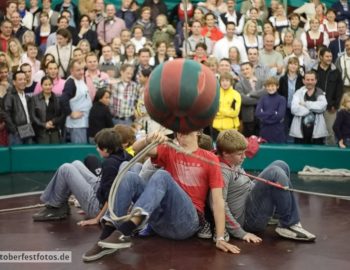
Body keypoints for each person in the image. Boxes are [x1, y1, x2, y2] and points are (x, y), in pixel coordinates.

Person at [82, 130, 241, 262]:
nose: (180, 134)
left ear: (198, 131)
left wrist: (220, 238)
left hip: (186, 223)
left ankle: (127, 228)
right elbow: (136, 148)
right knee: (130, 177)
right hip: (160, 223)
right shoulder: (170, 150)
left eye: (186, 129)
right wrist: (150, 137)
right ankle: (107, 237)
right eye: (178, 130)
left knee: (162, 175)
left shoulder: (209, 158)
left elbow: (218, 201)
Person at [216, 129, 316, 242]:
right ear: (225, 153)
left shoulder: (233, 162)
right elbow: (220, 205)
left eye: (244, 152)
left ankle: (278, 216)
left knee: (281, 164)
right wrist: (241, 233)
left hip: (251, 200)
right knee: (275, 172)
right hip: (247, 221)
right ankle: (287, 224)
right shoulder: (221, 172)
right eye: (240, 154)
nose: (244, 157)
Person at [33, 128, 131, 223]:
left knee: (66, 168)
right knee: (76, 163)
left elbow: (110, 197)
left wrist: (97, 219)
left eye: (98, 147)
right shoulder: (124, 155)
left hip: (97, 208)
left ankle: (55, 207)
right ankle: (60, 204)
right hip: (101, 194)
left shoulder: (110, 164)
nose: (96, 149)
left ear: (105, 149)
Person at [313, 48, 343, 145]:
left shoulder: (336, 72)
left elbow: (339, 90)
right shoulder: (313, 71)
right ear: (321, 57)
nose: (329, 58)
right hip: (315, 108)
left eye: (330, 56)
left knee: (331, 133)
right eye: (327, 56)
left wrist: (335, 105)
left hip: (330, 108)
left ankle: (330, 156)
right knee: (314, 133)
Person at [290, 71, 328, 144]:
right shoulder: (298, 92)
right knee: (300, 154)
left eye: (312, 80)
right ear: (303, 81)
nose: (310, 82)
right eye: (307, 80)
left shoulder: (319, 92)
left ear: (316, 81)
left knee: (316, 154)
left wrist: (305, 104)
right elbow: (294, 109)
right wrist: (313, 108)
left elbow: (322, 107)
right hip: (300, 132)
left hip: (317, 133)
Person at [60, 60, 92, 144]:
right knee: (79, 151)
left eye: (82, 69)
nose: (81, 72)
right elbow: (63, 99)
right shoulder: (70, 82)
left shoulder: (80, 80)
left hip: (84, 122)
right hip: (77, 124)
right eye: (78, 70)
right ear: (71, 71)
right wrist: (70, 113)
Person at [3, 71, 34, 145]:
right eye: (20, 79)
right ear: (14, 82)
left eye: (24, 79)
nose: (23, 81)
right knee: (18, 155)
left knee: (28, 154)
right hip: (16, 132)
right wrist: (14, 130)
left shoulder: (27, 97)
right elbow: (5, 114)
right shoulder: (9, 96)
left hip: (28, 129)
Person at [235, 62, 265, 137]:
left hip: (262, 116)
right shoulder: (239, 84)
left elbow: (265, 93)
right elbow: (243, 99)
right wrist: (259, 100)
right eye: (243, 70)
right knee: (248, 141)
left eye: (247, 69)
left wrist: (250, 94)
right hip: (248, 117)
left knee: (262, 140)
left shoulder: (262, 81)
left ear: (253, 69)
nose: (245, 71)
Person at [31, 76, 63, 144]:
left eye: (50, 84)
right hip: (41, 132)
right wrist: (44, 124)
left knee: (55, 152)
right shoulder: (34, 98)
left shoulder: (58, 98)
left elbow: (61, 114)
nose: (48, 87)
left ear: (52, 85)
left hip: (55, 131)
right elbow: (33, 116)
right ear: (41, 85)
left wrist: (53, 122)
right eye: (45, 84)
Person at [278, 57, 304, 142]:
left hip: (297, 108)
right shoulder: (282, 79)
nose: (293, 66)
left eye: (295, 64)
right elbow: (280, 94)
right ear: (288, 65)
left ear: (298, 66)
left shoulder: (301, 79)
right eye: (291, 63)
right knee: (285, 128)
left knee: (297, 130)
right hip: (285, 108)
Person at [255, 77, 286, 143]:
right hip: (264, 131)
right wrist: (273, 113)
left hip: (277, 131)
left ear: (277, 86)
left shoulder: (282, 99)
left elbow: (280, 116)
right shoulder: (262, 99)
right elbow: (258, 113)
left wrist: (265, 114)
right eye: (268, 86)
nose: (270, 88)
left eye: (272, 86)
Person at [212, 72, 241, 141]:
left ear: (231, 82)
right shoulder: (215, 93)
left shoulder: (236, 95)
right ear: (220, 82)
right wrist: (226, 113)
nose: (225, 83)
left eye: (227, 81)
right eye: (223, 81)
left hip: (231, 129)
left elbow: (235, 113)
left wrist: (220, 112)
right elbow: (213, 111)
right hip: (216, 128)